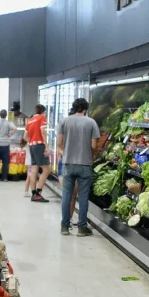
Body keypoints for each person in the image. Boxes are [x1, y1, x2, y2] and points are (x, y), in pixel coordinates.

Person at [57, 98, 99, 236]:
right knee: (83, 196)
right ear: (85, 109)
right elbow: (94, 146)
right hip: (85, 164)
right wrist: (91, 155)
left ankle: (64, 226)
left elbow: (59, 144)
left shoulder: (64, 121)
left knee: (66, 196)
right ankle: (82, 228)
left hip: (68, 163)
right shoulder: (91, 122)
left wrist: (66, 154)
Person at [24, 104, 51, 202]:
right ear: (43, 111)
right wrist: (46, 146)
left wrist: (31, 142)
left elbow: (25, 136)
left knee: (34, 169)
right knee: (46, 169)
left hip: (32, 146)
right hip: (40, 145)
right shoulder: (42, 118)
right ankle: (38, 193)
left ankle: (33, 193)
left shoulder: (30, 121)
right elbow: (43, 131)